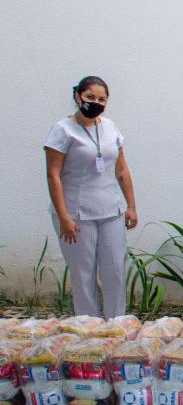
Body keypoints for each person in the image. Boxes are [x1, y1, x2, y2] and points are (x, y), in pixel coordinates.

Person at [44, 76, 137, 318]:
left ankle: (116, 324)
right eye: (90, 97)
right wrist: (64, 216)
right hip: (76, 213)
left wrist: (131, 205)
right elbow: (53, 176)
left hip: (110, 210)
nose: (96, 102)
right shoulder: (62, 130)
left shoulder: (110, 127)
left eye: (102, 99)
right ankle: (88, 329)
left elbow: (122, 169)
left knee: (115, 269)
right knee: (83, 273)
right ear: (78, 97)